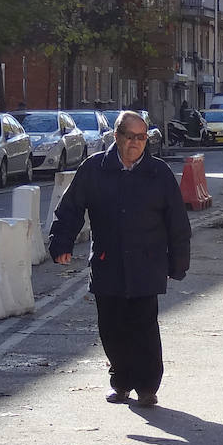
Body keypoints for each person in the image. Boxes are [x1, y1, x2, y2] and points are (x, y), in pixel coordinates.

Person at [49, 110, 192, 408]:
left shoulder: (159, 173)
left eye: (142, 138)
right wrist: (61, 242)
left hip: (146, 263)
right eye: (131, 137)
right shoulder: (94, 169)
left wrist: (178, 262)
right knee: (112, 328)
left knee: (143, 327)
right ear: (116, 137)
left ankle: (147, 386)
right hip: (107, 262)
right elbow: (71, 209)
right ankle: (122, 382)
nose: (136, 144)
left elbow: (177, 221)